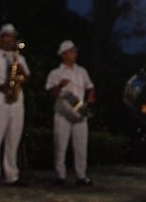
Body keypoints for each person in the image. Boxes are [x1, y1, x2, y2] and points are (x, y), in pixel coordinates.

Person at [0, 23, 30, 186]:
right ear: (1, 37)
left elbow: (26, 78)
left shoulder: (19, 57)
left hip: (16, 102)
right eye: (6, 36)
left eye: (11, 36)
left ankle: (12, 175)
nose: (9, 39)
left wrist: (20, 70)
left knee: (13, 140)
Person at [45, 40, 95, 186]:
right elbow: (50, 92)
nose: (74, 54)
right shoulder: (56, 73)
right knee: (60, 146)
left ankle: (81, 175)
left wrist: (90, 97)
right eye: (71, 52)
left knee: (81, 147)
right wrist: (60, 85)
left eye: (75, 51)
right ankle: (60, 176)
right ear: (63, 54)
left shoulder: (82, 71)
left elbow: (90, 87)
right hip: (62, 113)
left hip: (80, 112)